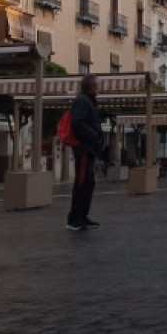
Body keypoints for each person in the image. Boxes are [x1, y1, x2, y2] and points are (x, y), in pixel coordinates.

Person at [67, 74, 105, 231]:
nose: (99, 87)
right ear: (91, 86)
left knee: (88, 183)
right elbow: (77, 122)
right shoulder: (83, 101)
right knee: (82, 183)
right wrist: (93, 135)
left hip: (89, 149)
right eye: (98, 85)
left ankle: (83, 216)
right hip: (84, 149)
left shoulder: (88, 101)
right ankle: (74, 219)